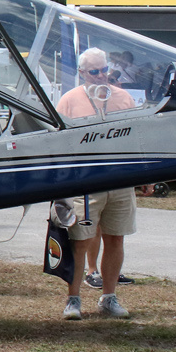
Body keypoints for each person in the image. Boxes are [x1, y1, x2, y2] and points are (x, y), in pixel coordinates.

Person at [55, 48, 139, 320]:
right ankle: (73, 299)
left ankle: (109, 297)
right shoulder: (69, 100)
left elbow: (136, 137)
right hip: (85, 181)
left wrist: (142, 174)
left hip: (120, 179)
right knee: (81, 240)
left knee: (116, 237)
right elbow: (56, 141)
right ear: (82, 74)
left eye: (105, 70)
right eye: (95, 72)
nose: (102, 76)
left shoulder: (123, 98)